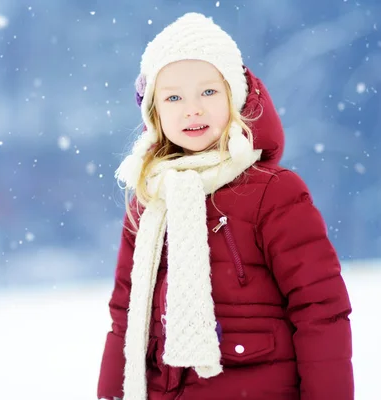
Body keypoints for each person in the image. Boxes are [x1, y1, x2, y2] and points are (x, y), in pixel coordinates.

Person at [97, 12, 354, 400]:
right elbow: (125, 315)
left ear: (235, 97)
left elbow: (320, 308)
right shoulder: (149, 199)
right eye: (173, 97)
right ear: (155, 113)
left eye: (209, 92)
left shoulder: (274, 193)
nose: (192, 108)